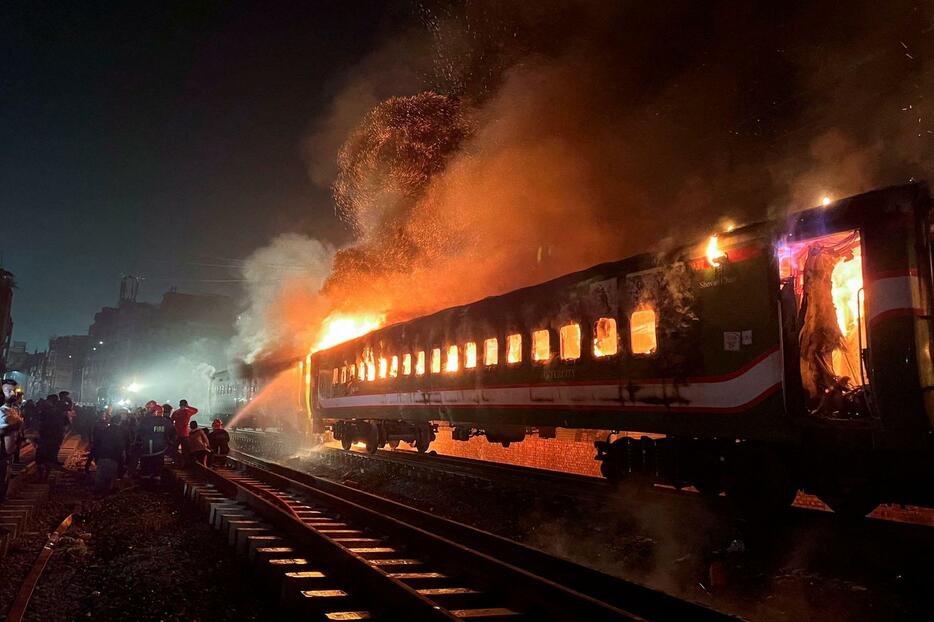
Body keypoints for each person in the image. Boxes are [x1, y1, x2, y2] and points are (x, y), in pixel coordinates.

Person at [91, 413, 127, 495]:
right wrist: (122, 457)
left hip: (102, 456)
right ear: (120, 422)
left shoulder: (104, 430)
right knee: (111, 476)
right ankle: (107, 493)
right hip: (113, 458)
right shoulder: (120, 432)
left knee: (100, 476)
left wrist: (95, 456)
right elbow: (121, 446)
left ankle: (98, 492)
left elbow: (97, 443)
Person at [136, 404, 170, 481]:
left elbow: (139, 432)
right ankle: (156, 481)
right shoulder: (166, 422)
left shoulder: (145, 421)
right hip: (159, 450)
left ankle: (146, 481)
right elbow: (172, 433)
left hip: (146, 449)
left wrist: (138, 443)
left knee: (145, 468)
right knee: (157, 469)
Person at [170, 399, 198, 466]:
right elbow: (196, 410)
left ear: (179, 405)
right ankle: (185, 463)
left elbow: (171, 420)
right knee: (185, 450)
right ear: (185, 405)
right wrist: (188, 406)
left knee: (174, 449)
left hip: (177, 434)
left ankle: (176, 462)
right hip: (185, 434)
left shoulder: (176, 412)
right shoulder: (188, 411)